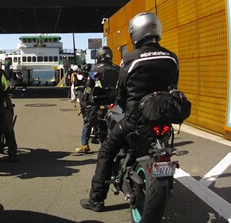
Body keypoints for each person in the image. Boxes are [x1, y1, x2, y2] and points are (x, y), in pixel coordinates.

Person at [80, 12, 179, 213]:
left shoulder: (130, 59)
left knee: (107, 151)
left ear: (136, 33)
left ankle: (96, 199)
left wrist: (120, 103)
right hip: (164, 120)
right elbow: (173, 86)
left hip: (136, 120)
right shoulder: (171, 57)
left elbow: (121, 92)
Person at [75, 48, 119, 153]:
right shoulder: (117, 68)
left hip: (98, 101)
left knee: (87, 121)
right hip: (115, 101)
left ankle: (84, 144)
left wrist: (85, 97)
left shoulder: (95, 70)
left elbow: (89, 86)